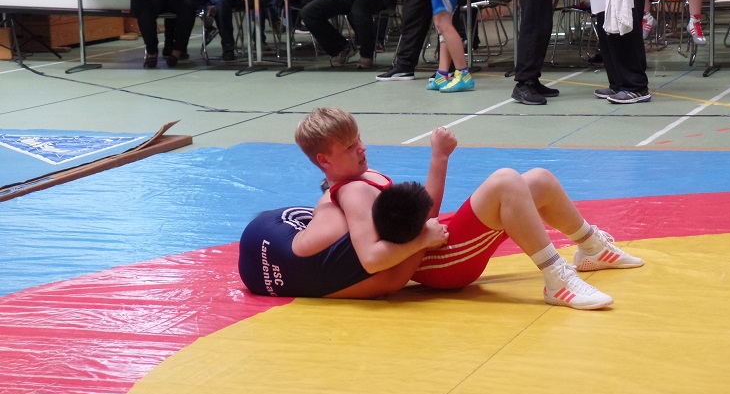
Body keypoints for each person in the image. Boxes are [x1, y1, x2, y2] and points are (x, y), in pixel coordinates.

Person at [238, 107, 644, 309]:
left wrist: (439, 159)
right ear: (325, 161)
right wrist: (424, 241)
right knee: (506, 180)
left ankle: (590, 247)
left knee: (537, 178)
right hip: (440, 263)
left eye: (359, 138)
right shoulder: (352, 193)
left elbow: (422, 214)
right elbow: (373, 258)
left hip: (430, 244)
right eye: (349, 146)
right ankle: (556, 279)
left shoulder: (360, 179)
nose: (361, 148)